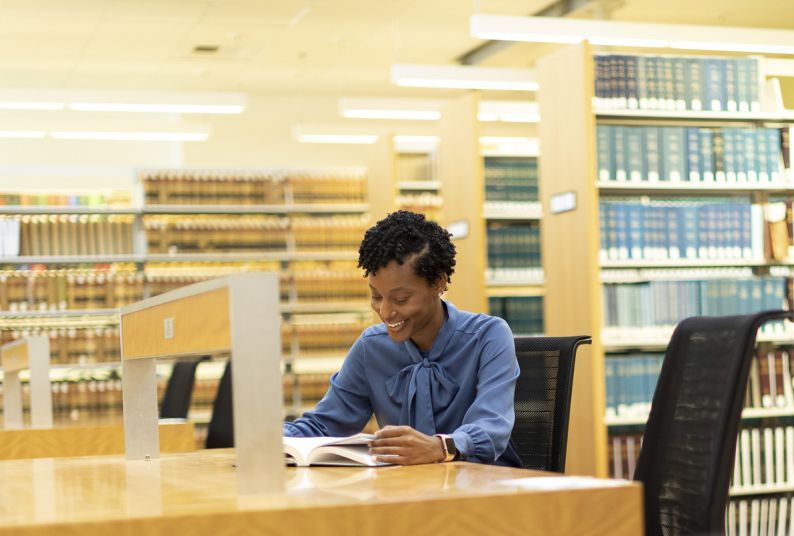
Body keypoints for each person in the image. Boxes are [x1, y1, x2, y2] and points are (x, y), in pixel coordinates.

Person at [283, 210, 521, 466]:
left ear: (438, 283)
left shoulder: (489, 335)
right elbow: (324, 423)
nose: (385, 312)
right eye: (376, 296)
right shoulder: (371, 347)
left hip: (485, 485)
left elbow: (492, 425)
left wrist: (441, 447)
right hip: (407, 488)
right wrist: (268, 439)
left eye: (401, 299)